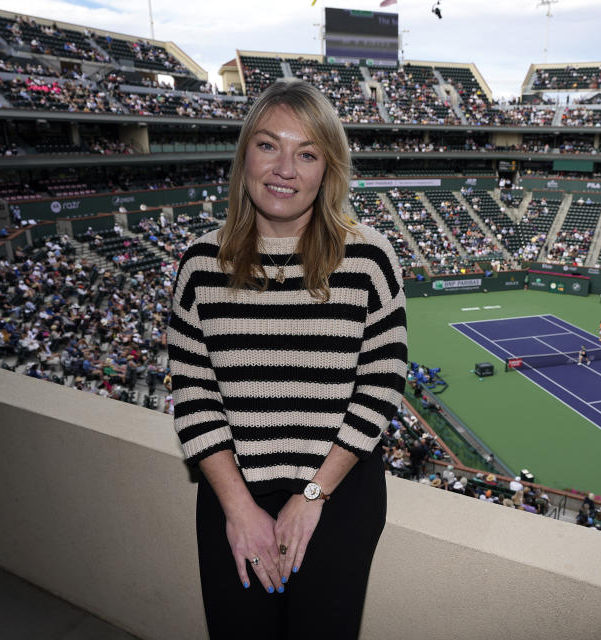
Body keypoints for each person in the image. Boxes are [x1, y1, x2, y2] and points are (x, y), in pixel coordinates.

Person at [167, 79, 408, 639]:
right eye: (268, 145)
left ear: (328, 168)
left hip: (338, 494)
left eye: (307, 153)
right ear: (244, 154)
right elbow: (194, 396)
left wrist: (313, 495)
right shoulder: (201, 263)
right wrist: (240, 509)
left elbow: (380, 386)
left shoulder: (369, 258)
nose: (284, 169)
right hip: (234, 493)